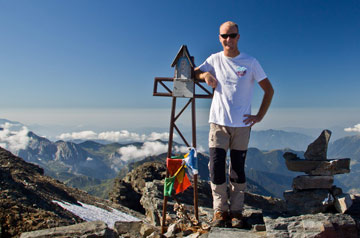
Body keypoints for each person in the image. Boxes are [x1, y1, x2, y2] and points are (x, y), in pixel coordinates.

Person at [194, 21, 274, 228]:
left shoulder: (250, 62)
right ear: (219, 38)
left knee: (237, 170)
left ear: (239, 37)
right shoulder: (214, 59)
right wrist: (205, 75)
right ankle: (220, 211)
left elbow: (269, 90)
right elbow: (193, 73)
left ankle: (236, 212)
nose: (228, 39)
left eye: (232, 35)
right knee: (216, 168)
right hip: (218, 124)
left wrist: (259, 116)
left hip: (242, 126)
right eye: (224, 36)